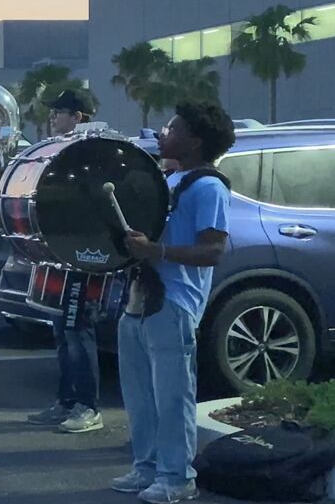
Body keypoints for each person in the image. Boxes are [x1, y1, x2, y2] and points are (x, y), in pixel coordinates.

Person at [112, 102, 233, 504]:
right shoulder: (170, 178)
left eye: (172, 128)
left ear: (195, 142)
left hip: (174, 301)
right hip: (140, 297)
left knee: (172, 394)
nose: (163, 133)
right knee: (140, 394)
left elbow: (213, 250)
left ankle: (178, 476)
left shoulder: (208, 186)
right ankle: (146, 467)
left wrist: (157, 251)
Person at [26, 89, 107, 433]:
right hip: (60, 253)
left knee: (78, 331)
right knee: (61, 331)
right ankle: (67, 400)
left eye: (59, 112)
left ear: (79, 117)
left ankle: (89, 406)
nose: (52, 117)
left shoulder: (94, 152)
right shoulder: (62, 152)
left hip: (84, 254)